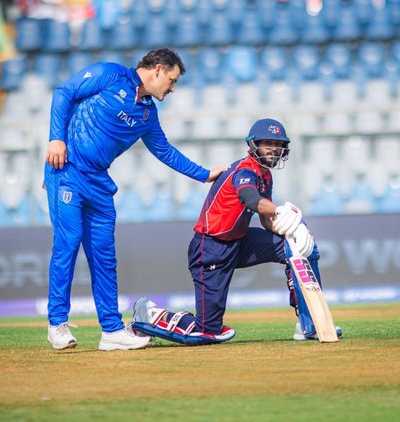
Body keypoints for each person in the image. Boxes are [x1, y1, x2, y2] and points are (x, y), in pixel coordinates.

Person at [44, 48, 228, 351]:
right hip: (68, 170)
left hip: (99, 183)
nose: (172, 88)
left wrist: (205, 174)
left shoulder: (147, 114)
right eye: (171, 80)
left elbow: (164, 151)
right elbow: (64, 92)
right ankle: (57, 324)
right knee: (68, 242)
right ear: (156, 69)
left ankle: (112, 331)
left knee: (104, 256)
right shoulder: (109, 75)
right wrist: (56, 138)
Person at [129, 118, 341, 346]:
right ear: (253, 145)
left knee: (297, 246)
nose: (273, 148)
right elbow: (250, 199)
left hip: (240, 241)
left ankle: (310, 323)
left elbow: (266, 219)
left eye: (278, 144)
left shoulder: (265, 175)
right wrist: (282, 210)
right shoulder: (244, 171)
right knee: (206, 332)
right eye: (267, 142)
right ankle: (148, 314)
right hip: (210, 248)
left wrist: (293, 229)